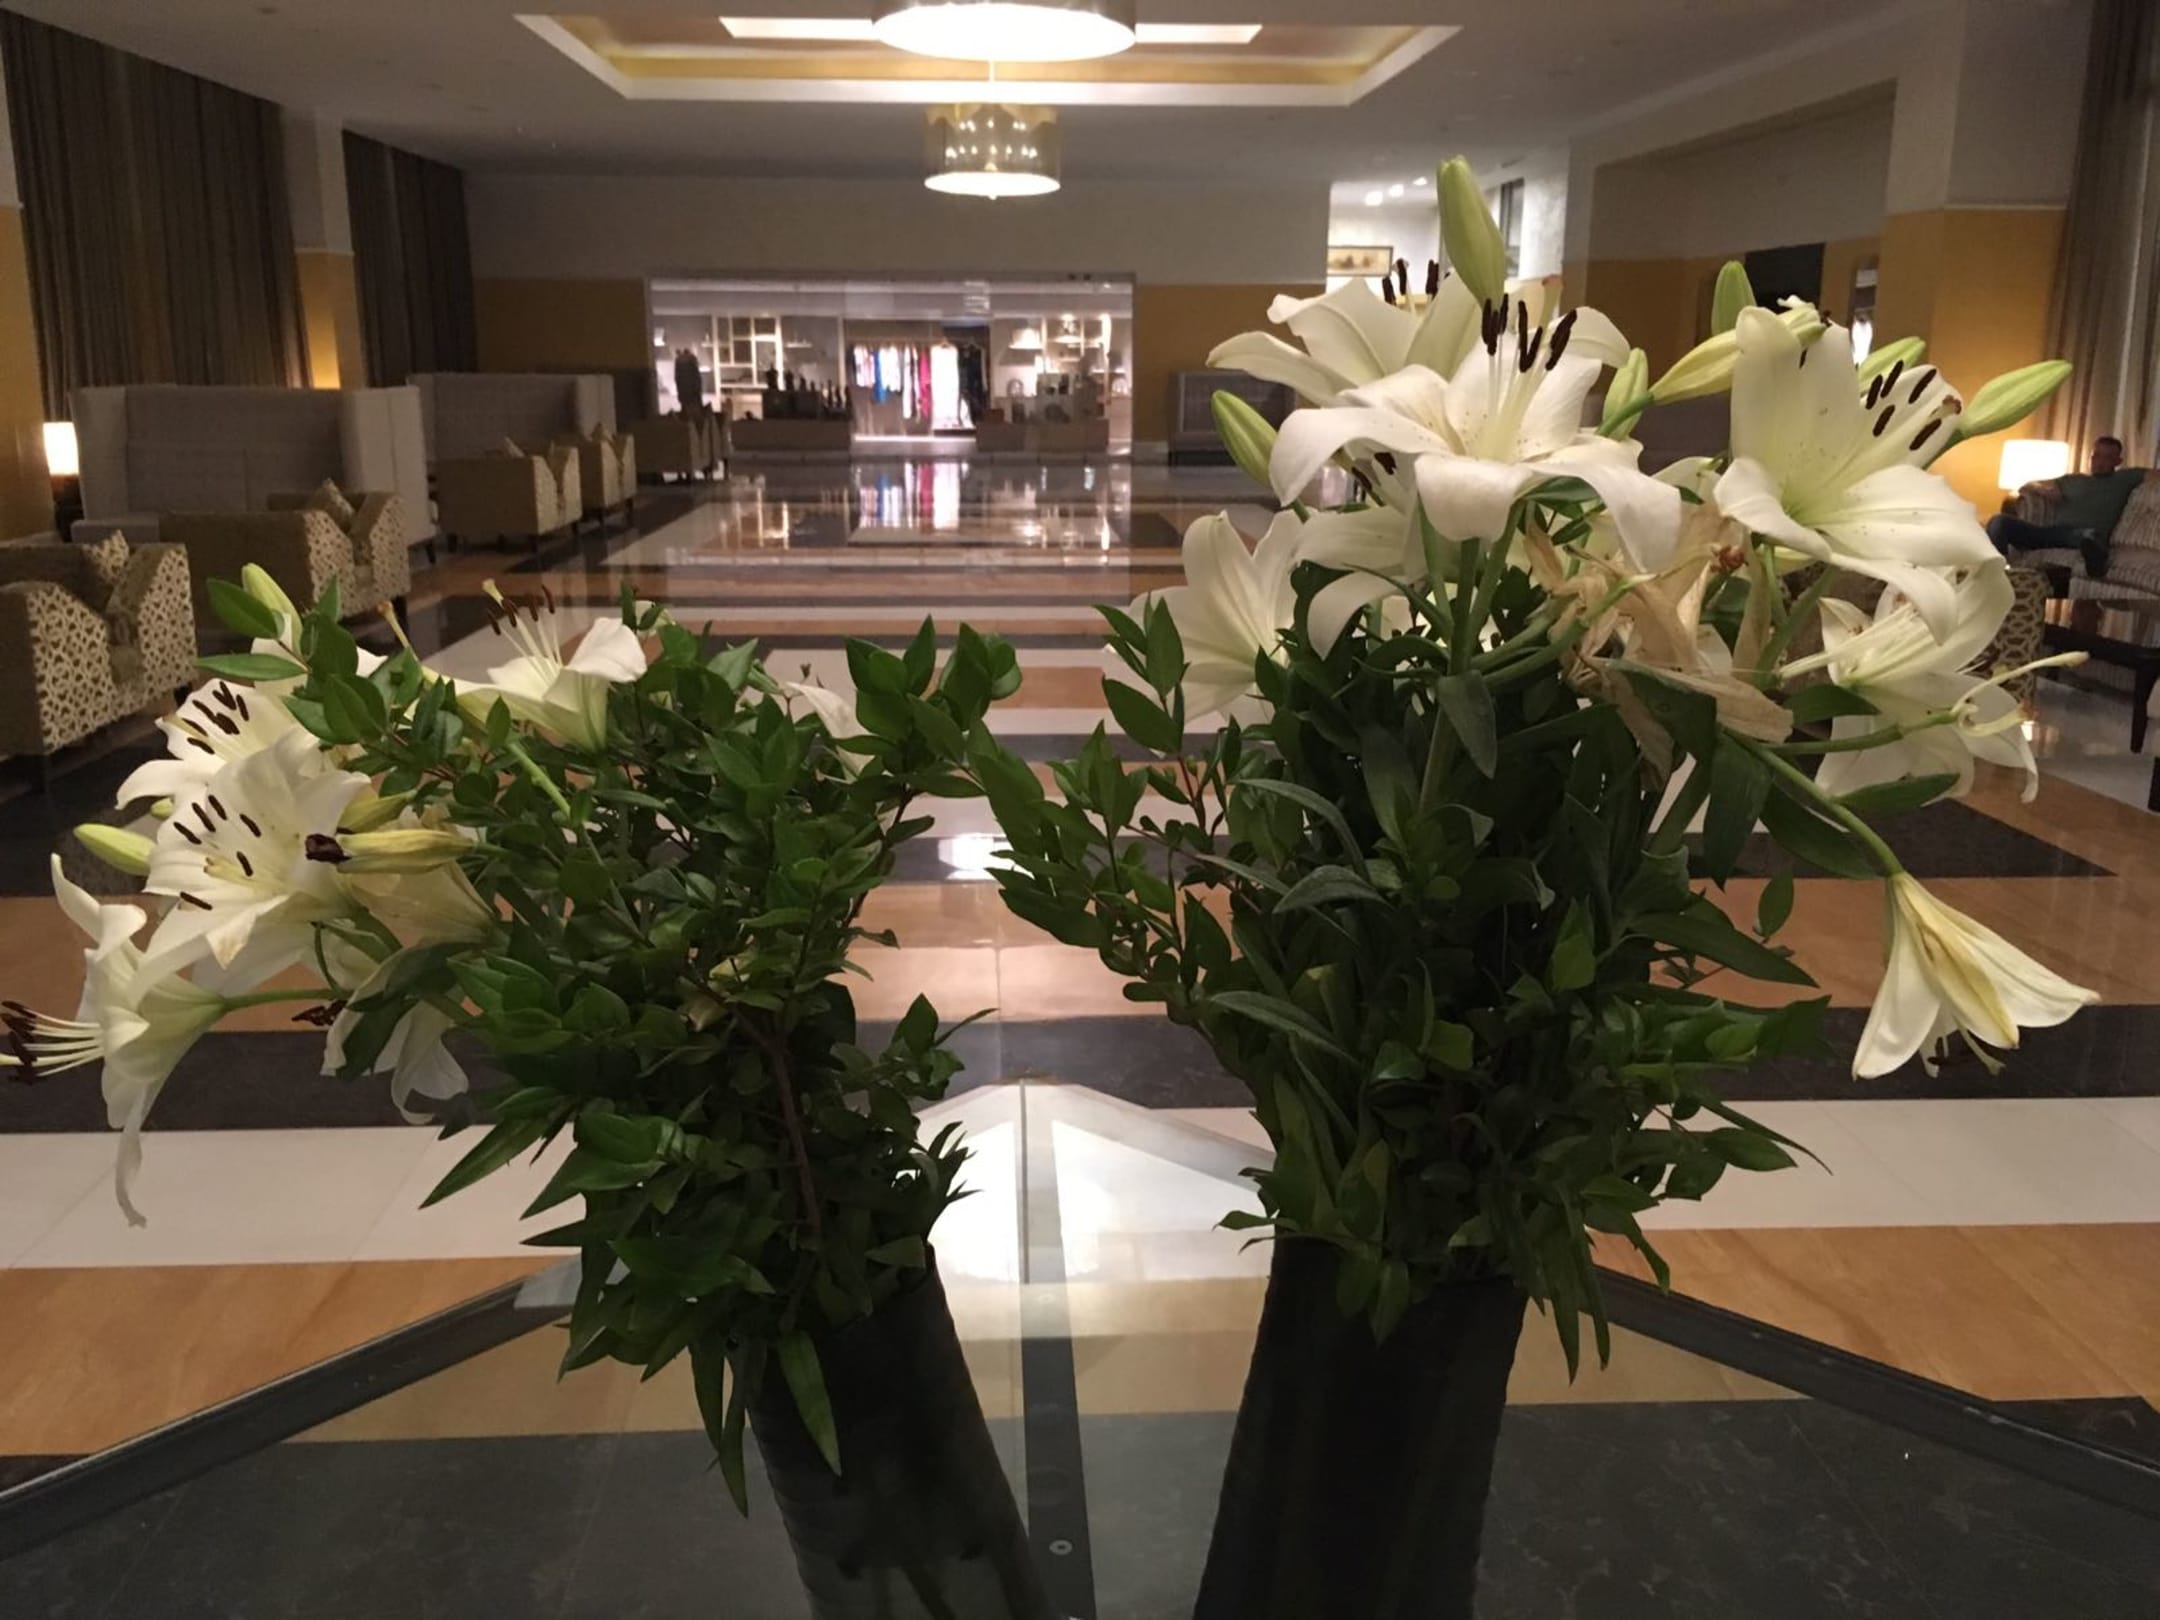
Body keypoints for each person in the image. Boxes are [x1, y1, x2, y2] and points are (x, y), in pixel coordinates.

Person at [1986, 435, 2146, 579]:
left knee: (2089, 537)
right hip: (2053, 533)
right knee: (1998, 522)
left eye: (2107, 458)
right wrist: (2044, 490)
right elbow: (2031, 483)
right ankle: (1997, 571)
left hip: (2087, 536)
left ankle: (2096, 563)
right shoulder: (2071, 479)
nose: (2099, 462)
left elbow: (2154, 476)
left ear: (2118, 461)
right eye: (2096, 456)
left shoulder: (2124, 478)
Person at [673, 347, 704, 416]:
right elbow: (696, 375)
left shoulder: (678, 360)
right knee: (695, 408)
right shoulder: (692, 358)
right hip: (693, 390)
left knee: (685, 407)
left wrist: (678, 388)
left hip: (684, 389)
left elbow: (676, 377)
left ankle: (686, 416)